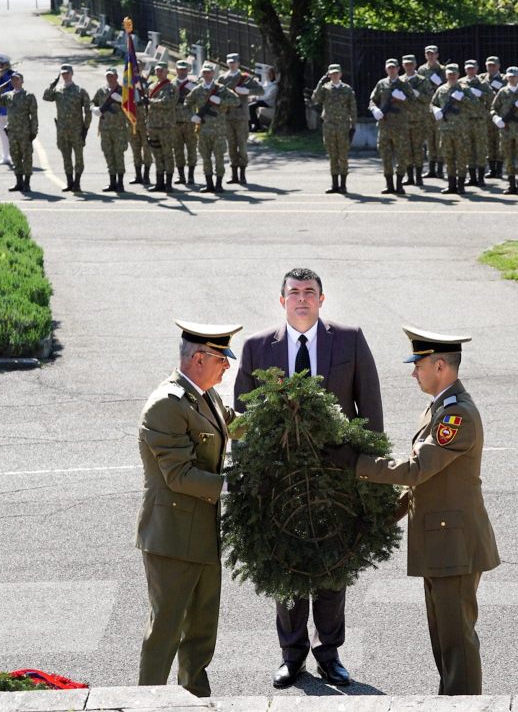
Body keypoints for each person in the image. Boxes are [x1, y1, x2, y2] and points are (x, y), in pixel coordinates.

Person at [326, 327, 499, 696]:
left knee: (457, 644)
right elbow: (424, 482)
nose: (413, 373)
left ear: (440, 366)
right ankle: (450, 701)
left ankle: (464, 706)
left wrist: (357, 463)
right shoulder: (439, 408)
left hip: (454, 547)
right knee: (444, 642)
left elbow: (417, 469)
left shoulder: (457, 416)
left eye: (418, 365)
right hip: (442, 543)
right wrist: (383, 518)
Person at [234, 267, 383, 691]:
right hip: (280, 483)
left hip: (336, 481)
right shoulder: (257, 347)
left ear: (322, 299)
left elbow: (370, 410)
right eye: (294, 292)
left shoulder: (350, 339)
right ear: (282, 301)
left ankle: (329, 654)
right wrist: (250, 479)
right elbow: (242, 419)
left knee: (333, 566)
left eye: (310, 292)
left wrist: (368, 472)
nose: (302, 298)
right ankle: (292, 654)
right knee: (287, 565)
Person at [137, 320, 243, 699]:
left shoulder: (205, 395)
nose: (227, 365)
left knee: (200, 632)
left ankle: (195, 699)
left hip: (202, 535)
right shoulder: (166, 405)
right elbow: (179, 475)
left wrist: (280, 413)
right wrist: (237, 485)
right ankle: (145, 702)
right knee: (165, 632)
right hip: (171, 539)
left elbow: (232, 425)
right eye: (221, 358)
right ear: (199, 358)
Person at [185, 62, 240, 194]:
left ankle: (218, 184)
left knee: (219, 158)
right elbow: (187, 103)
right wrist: (192, 116)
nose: (206, 75)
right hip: (203, 130)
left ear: (213, 74)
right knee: (206, 158)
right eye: (204, 72)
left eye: (209, 72)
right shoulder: (197, 90)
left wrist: (221, 101)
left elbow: (236, 101)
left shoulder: (220, 89)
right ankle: (209, 184)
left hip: (218, 130)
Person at [43, 63, 92, 193]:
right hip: (62, 130)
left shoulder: (80, 91)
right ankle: (70, 182)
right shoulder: (58, 90)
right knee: (66, 157)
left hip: (77, 130)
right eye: (63, 74)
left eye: (67, 73)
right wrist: (52, 84)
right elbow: (46, 97)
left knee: (79, 158)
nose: (65, 76)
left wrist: (85, 128)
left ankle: (77, 183)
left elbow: (88, 111)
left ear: (72, 74)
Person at [432, 63, 478, 195]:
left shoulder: (465, 89)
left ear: (458, 75)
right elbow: (433, 103)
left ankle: (461, 185)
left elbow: (476, 105)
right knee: (448, 157)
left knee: (461, 157)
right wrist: (436, 110)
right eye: (449, 74)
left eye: (454, 74)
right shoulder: (441, 89)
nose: (452, 76)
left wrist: (463, 98)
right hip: (445, 129)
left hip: (461, 130)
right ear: (446, 75)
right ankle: (451, 185)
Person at [310, 63, 355, 194]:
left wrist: (353, 126)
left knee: (343, 155)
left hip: (343, 126)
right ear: (329, 75)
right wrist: (320, 83)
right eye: (332, 74)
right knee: (332, 155)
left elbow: (353, 108)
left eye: (337, 73)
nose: (334, 76)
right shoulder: (325, 89)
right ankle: (334, 184)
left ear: (340, 74)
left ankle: (343, 185)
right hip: (329, 126)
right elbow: (315, 99)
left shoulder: (347, 89)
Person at [219, 53, 263, 185]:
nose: (232, 64)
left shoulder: (245, 78)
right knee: (231, 146)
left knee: (242, 145)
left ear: (238, 63)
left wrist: (247, 91)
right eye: (230, 62)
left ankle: (242, 174)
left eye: (234, 62)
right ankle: (234, 175)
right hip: (227, 116)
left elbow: (261, 90)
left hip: (241, 116)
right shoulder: (222, 78)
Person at [368, 58, 411, 194]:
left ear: (398, 69)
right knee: (385, 156)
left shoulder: (404, 84)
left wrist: (403, 98)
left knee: (402, 155)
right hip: (385, 126)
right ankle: (389, 185)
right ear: (386, 69)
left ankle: (399, 184)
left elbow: (413, 102)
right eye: (389, 68)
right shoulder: (381, 84)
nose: (391, 70)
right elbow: (372, 100)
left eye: (394, 68)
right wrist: (375, 109)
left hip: (400, 126)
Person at [0, 71, 38, 193]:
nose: (15, 82)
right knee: (15, 157)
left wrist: (34, 131)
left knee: (27, 157)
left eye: (17, 79)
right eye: (12, 80)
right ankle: (19, 182)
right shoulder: (8, 96)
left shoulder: (29, 96)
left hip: (25, 132)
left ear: (22, 81)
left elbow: (34, 115)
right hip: (12, 132)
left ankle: (27, 183)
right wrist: (2, 86)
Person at [491, 66, 518, 195]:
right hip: (506, 130)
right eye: (510, 77)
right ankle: (511, 185)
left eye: (514, 76)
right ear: (507, 78)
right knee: (508, 156)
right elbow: (493, 109)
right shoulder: (502, 92)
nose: (512, 79)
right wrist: (496, 118)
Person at [92, 67, 130, 193]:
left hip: (119, 129)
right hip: (105, 128)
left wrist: (122, 100)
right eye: (108, 76)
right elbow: (92, 102)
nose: (110, 78)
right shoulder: (101, 90)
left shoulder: (123, 90)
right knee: (108, 154)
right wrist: (94, 109)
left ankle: (120, 183)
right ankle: (112, 182)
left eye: (112, 76)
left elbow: (131, 106)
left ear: (117, 77)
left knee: (119, 154)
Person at [458, 60, 492, 188]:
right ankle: (472, 177)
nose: (471, 71)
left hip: (479, 120)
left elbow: (492, 98)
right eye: (468, 68)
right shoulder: (460, 83)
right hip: (465, 120)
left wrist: (481, 94)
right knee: (468, 149)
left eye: (473, 68)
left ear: (477, 69)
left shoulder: (483, 83)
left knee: (481, 149)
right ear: (465, 69)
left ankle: (481, 178)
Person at [400, 55, 433, 187]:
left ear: (415, 65)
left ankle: (419, 176)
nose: (409, 67)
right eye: (406, 64)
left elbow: (430, 98)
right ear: (403, 66)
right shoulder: (399, 81)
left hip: (419, 120)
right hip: (403, 120)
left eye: (411, 64)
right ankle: (410, 177)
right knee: (406, 149)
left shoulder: (423, 81)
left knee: (418, 148)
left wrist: (418, 94)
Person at [146, 61, 177, 193]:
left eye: (161, 70)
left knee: (167, 154)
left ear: (167, 72)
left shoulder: (171, 87)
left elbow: (168, 103)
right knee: (157, 155)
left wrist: (150, 101)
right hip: (153, 125)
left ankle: (168, 183)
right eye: (157, 70)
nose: (159, 73)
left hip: (166, 126)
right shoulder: (151, 86)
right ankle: (159, 182)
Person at [418, 45, 445, 178]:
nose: (430, 56)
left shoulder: (443, 70)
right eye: (428, 54)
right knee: (429, 138)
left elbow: (446, 86)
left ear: (437, 55)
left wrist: (438, 82)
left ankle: (440, 169)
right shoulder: (422, 70)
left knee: (439, 137)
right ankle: (431, 169)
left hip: (438, 107)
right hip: (426, 107)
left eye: (433, 54)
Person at [479, 57, 505, 178]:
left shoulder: (505, 78)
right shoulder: (481, 78)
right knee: (488, 141)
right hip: (486, 114)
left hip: (500, 114)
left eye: (494, 65)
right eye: (489, 65)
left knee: (500, 141)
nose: (491, 68)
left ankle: (499, 169)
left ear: (498, 66)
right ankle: (491, 168)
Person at [173, 60, 198, 186]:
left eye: (184, 69)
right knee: (177, 150)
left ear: (188, 70)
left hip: (189, 122)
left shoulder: (194, 85)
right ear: (176, 70)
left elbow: (200, 99)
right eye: (180, 69)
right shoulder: (170, 84)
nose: (182, 71)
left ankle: (191, 175)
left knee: (191, 148)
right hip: (175, 121)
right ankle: (181, 175)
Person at [129, 58, 152, 186]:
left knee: (146, 149)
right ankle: (138, 175)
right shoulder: (127, 84)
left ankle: (146, 175)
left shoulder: (147, 83)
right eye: (134, 67)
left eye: (138, 67)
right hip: (132, 121)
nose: (136, 69)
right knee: (135, 148)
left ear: (142, 68)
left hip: (145, 120)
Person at [249, 66, 277, 132]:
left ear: (273, 75)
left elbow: (268, 97)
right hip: (262, 101)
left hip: (269, 102)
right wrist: (254, 97)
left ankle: (257, 126)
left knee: (251, 106)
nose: (268, 75)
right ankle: (249, 125)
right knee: (248, 104)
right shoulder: (266, 83)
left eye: (270, 73)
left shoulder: (275, 85)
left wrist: (257, 98)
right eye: (267, 73)